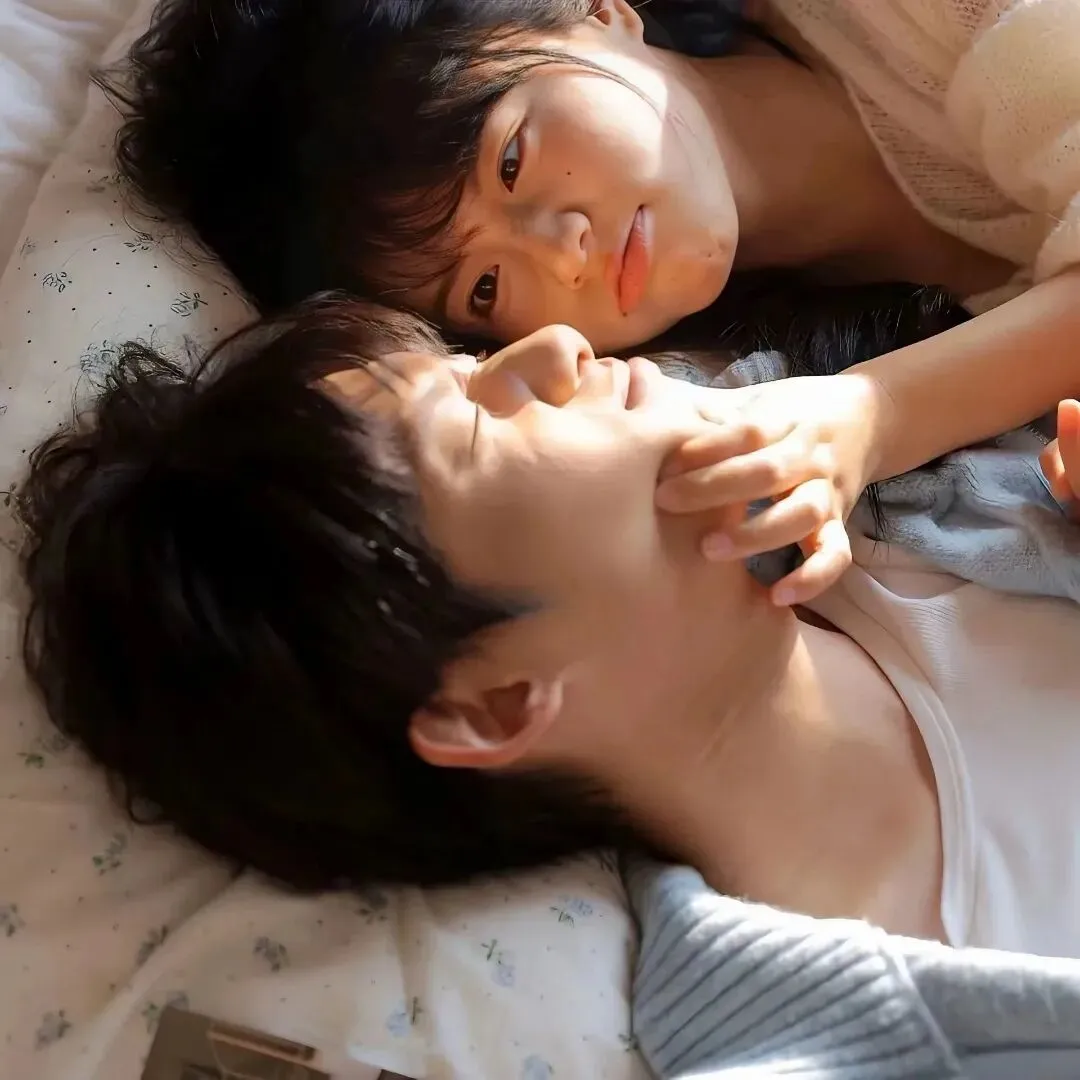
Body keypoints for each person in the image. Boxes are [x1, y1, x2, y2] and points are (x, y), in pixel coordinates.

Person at [17, 293, 1080, 957]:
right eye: (474, 425)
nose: (557, 349)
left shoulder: (937, 500)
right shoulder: (864, 1023)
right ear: (492, 704)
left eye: (466, 356)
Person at [98, 0, 1080, 606]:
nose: (556, 248)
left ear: (595, 12)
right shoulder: (758, 387)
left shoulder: (923, 20)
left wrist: (878, 414)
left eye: (510, 158)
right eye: (485, 287)